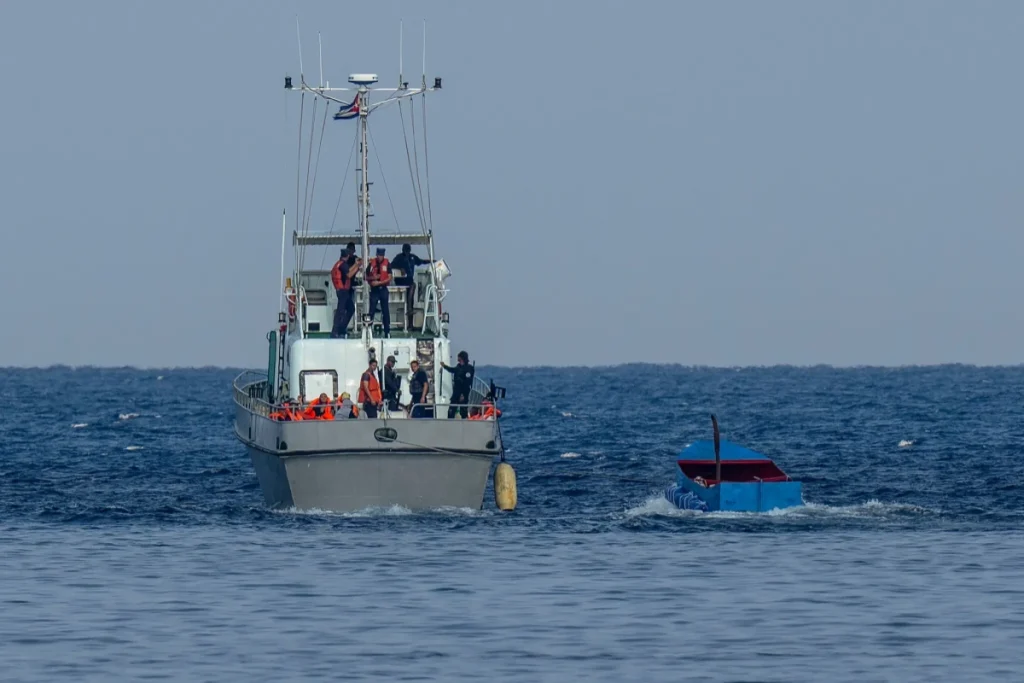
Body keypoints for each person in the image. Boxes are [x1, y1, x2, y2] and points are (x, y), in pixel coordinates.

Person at [390, 243, 433, 329]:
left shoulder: (412, 257)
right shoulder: (399, 257)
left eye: (408, 250)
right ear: (403, 250)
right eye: (405, 250)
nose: (407, 252)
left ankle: (410, 324)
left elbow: (421, 261)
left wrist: (431, 261)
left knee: (411, 298)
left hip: (409, 281)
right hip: (401, 281)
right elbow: (391, 265)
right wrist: (400, 269)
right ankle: (409, 310)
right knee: (412, 287)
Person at [330, 247, 362, 338]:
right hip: (343, 291)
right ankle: (335, 331)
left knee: (350, 309)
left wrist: (356, 264)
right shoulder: (343, 265)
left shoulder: (339, 264)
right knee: (340, 311)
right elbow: (349, 275)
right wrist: (358, 267)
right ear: (347, 256)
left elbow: (348, 270)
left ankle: (341, 328)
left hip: (341, 291)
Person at [366, 247, 392, 337]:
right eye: (378, 255)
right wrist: (373, 278)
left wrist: (379, 282)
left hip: (383, 289)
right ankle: (368, 331)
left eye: (381, 255)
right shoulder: (371, 264)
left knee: (385, 310)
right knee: (371, 310)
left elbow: (389, 277)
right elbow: (365, 277)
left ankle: (387, 331)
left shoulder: (387, 264)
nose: (379, 257)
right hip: (374, 290)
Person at [441, 351, 474, 419]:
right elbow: (452, 370)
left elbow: (467, 382)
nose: (457, 358)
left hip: (464, 392)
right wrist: (444, 366)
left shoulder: (469, 368)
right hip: (456, 391)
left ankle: (464, 421)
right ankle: (450, 421)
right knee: (451, 410)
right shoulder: (458, 366)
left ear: (461, 358)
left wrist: (462, 394)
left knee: (463, 410)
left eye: (458, 357)